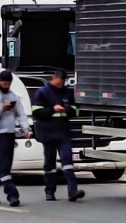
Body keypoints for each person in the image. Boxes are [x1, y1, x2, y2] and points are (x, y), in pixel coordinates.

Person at [33, 68, 86, 202]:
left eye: (62, 83)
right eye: (58, 82)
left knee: (67, 161)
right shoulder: (42, 92)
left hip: (63, 133)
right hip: (48, 132)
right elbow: (37, 112)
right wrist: (52, 109)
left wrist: (68, 110)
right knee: (50, 164)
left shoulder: (67, 92)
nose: (60, 85)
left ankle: (72, 191)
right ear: (53, 78)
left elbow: (75, 109)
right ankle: (50, 191)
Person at [0, 70, 31, 207]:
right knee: (4, 167)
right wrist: (1, 109)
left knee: (4, 167)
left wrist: (26, 129)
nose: (6, 85)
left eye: (8, 83)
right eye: (4, 82)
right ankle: (12, 195)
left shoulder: (13, 96)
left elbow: (21, 114)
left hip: (9, 135)